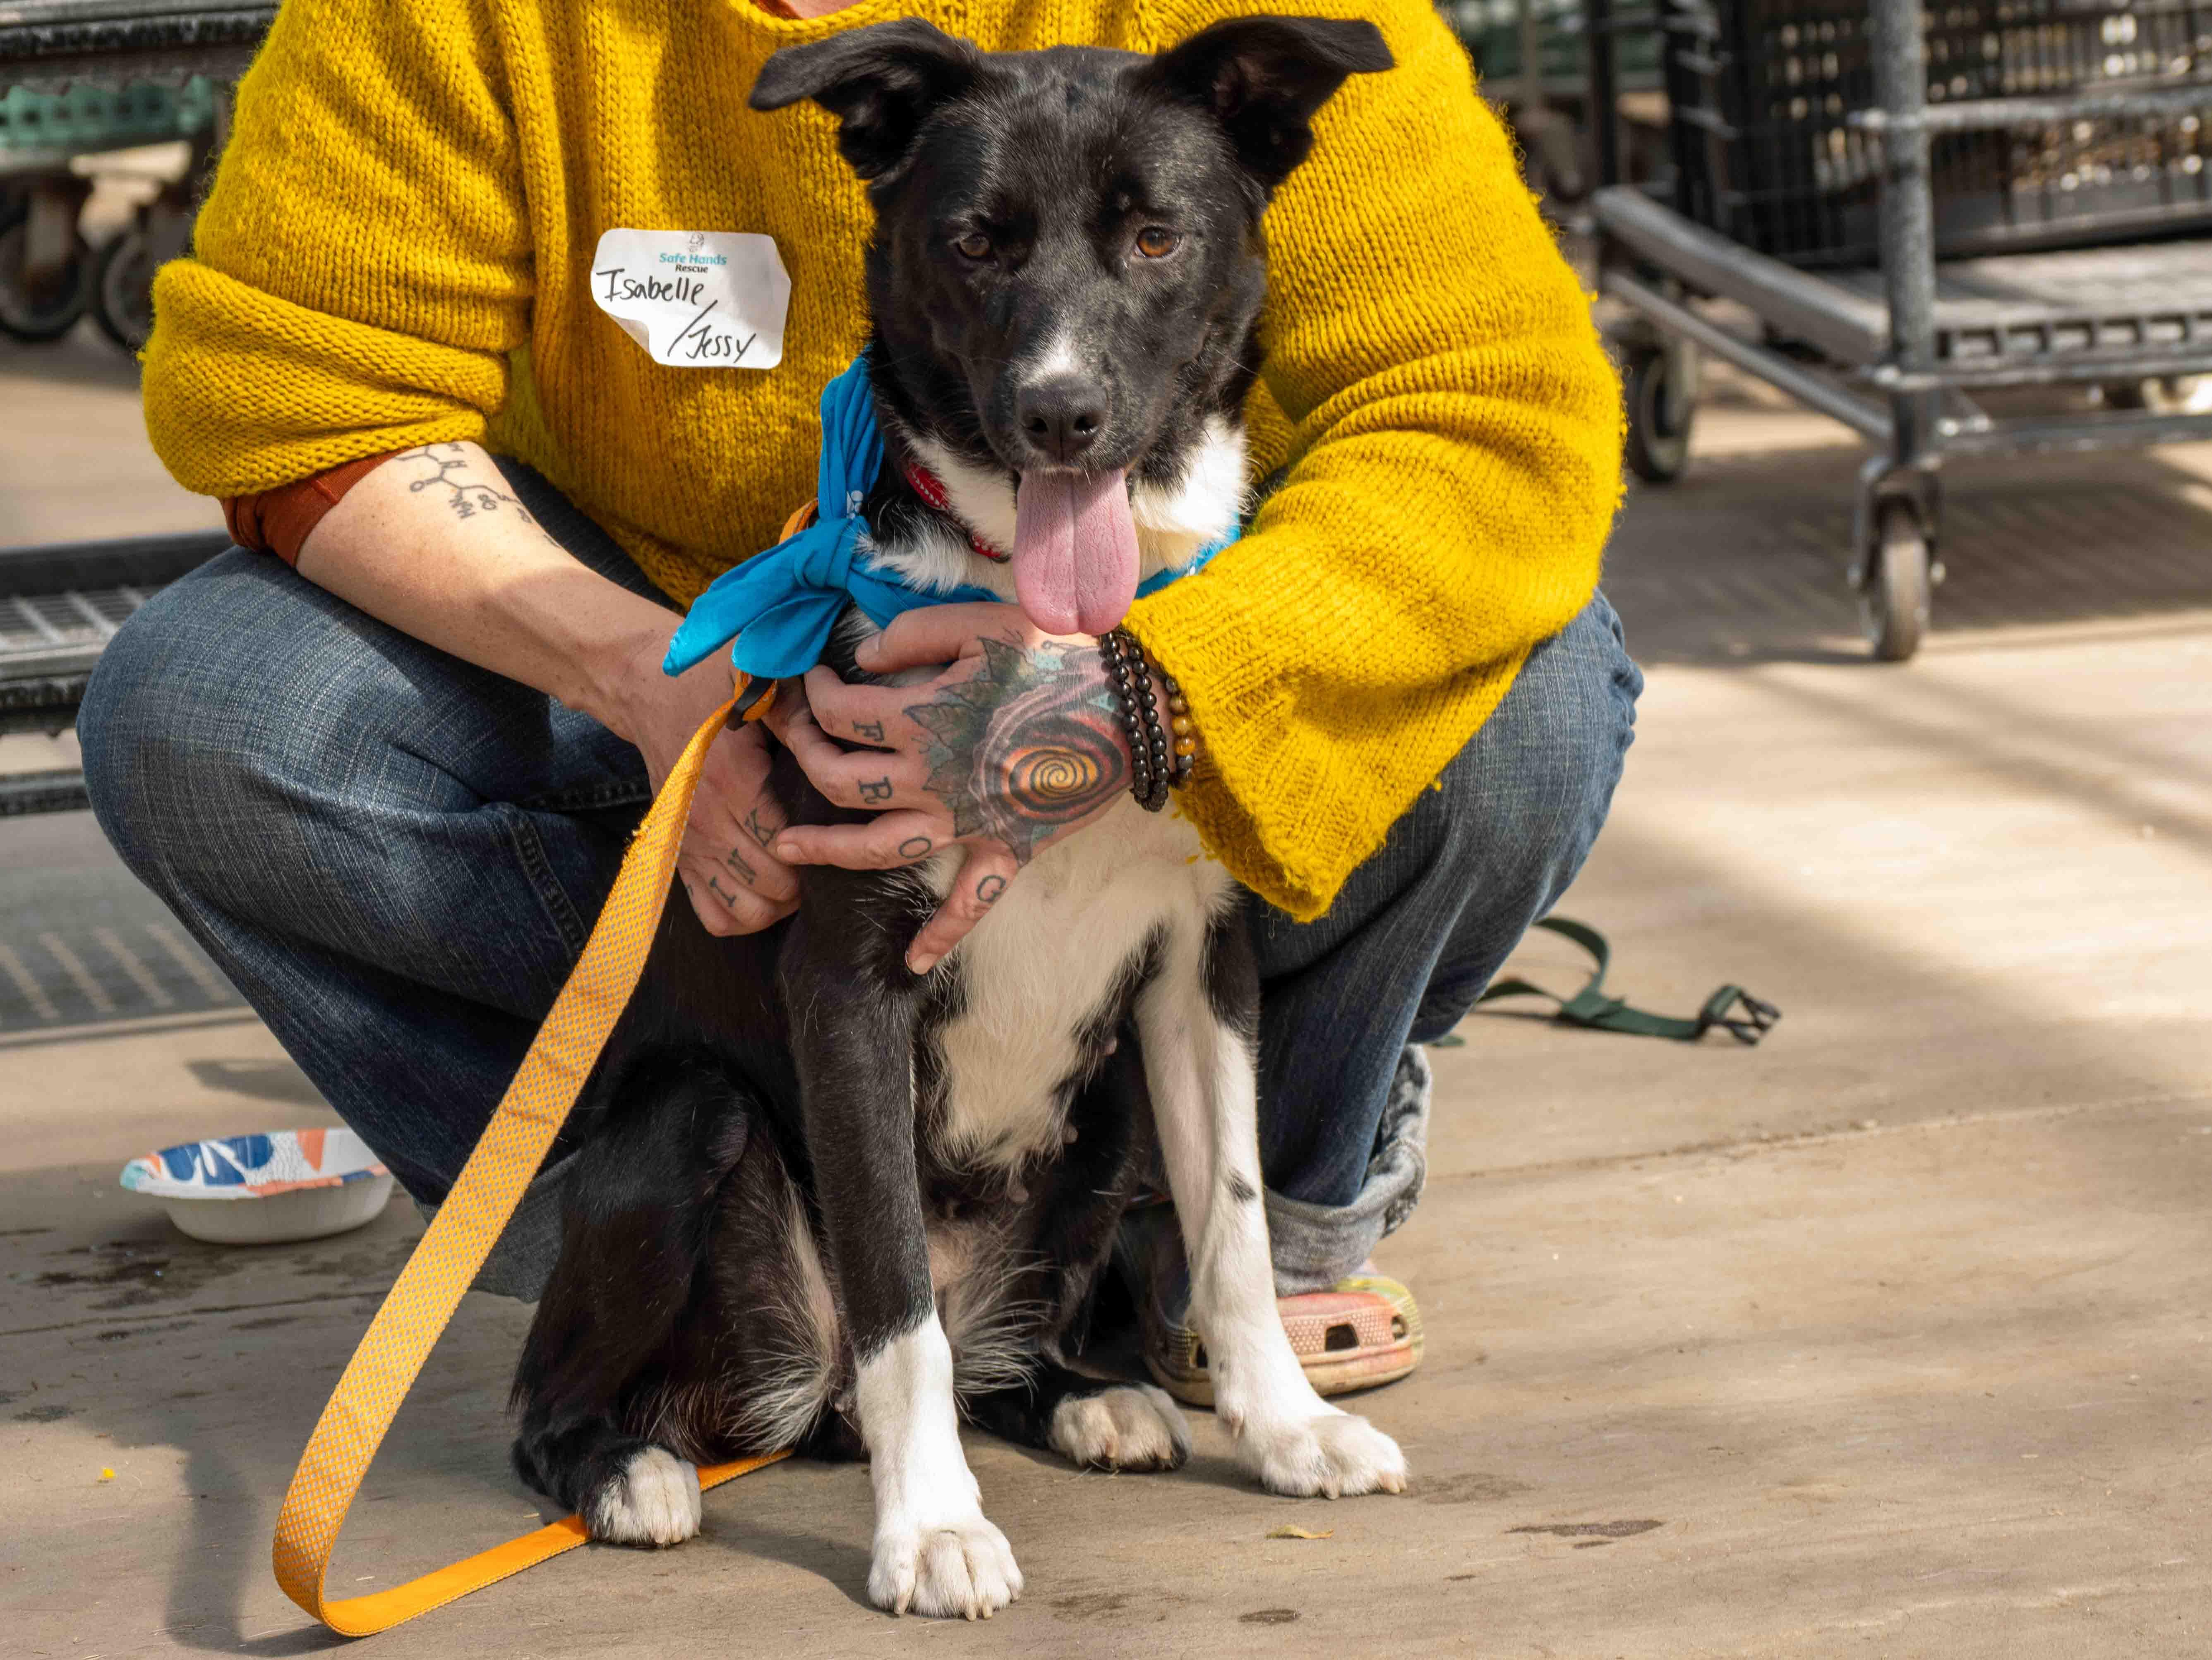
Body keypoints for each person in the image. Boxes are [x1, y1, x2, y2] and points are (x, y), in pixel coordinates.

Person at [80, 0, 1639, 1401]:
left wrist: (1157, 695)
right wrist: (659, 685)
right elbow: (294, 400)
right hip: (673, 624)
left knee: (1528, 707)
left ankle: (1241, 1216)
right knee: (213, 714)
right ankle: (700, 1264)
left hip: (1176, 628)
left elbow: (1496, 418)